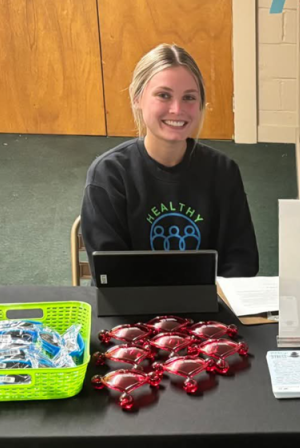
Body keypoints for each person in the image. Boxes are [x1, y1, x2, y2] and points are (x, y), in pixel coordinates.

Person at [81, 44, 259, 278]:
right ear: (137, 98)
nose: (177, 109)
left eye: (189, 98)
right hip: (134, 309)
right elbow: (110, 274)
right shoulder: (109, 174)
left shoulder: (223, 171)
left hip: (208, 307)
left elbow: (242, 261)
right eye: (164, 95)